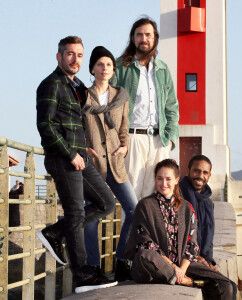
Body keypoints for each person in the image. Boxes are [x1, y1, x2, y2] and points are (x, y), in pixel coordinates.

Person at [36, 36, 117, 293]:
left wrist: (83, 148)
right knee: (76, 214)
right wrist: (72, 153)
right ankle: (82, 276)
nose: (75, 59)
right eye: (70, 54)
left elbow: (74, 122)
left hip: (79, 156)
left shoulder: (78, 85)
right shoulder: (51, 85)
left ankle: (55, 233)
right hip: (63, 159)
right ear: (59, 56)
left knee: (107, 203)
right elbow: (46, 126)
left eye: (80, 55)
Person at [124, 159, 236, 300]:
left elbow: (192, 245)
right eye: (159, 179)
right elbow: (145, 242)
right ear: (155, 179)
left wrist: (182, 269)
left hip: (183, 264)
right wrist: (174, 268)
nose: (163, 184)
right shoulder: (145, 205)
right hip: (156, 265)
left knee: (225, 285)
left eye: (168, 179)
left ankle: (178, 277)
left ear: (177, 180)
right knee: (145, 256)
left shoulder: (187, 207)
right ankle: (186, 281)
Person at [82, 46, 138, 280]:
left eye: (109, 65)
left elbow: (124, 126)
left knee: (134, 211)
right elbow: (76, 127)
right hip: (93, 165)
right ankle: (93, 267)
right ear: (93, 69)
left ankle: (122, 261)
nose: (105, 68)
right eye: (100, 64)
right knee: (92, 217)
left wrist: (124, 147)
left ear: (113, 70)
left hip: (116, 163)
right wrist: (83, 149)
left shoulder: (121, 96)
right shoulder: (82, 96)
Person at [111, 17, 179, 200]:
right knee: (132, 194)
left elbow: (171, 107)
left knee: (156, 196)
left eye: (148, 34)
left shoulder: (163, 69)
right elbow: (108, 104)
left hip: (160, 140)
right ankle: (131, 230)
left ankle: (150, 230)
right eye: (139, 34)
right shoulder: (120, 67)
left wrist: (171, 139)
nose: (144, 38)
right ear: (133, 38)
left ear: (155, 38)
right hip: (132, 137)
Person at [179, 155, 216, 268]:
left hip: (200, 258)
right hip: (182, 258)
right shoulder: (178, 195)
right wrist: (193, 256)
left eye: (205, 172)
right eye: (196, 171)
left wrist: (208, 259)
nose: (200, 176)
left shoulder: (208, 203)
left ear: (209, 176)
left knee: (229, 285)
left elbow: (209, 237)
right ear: (188, 171)